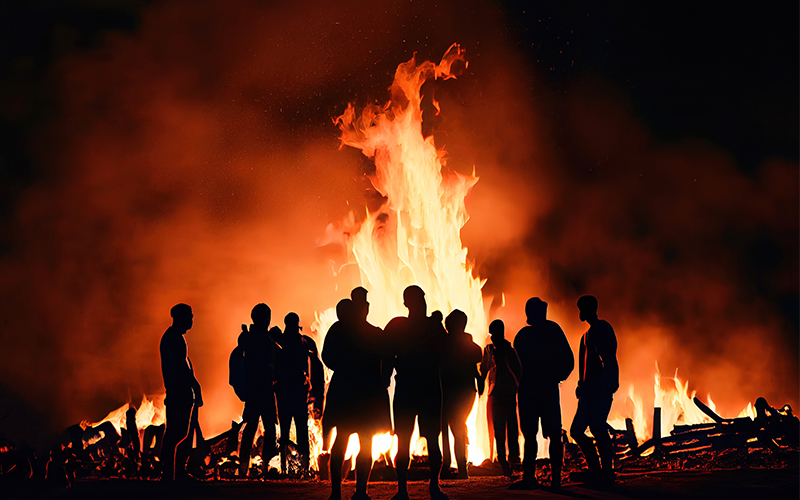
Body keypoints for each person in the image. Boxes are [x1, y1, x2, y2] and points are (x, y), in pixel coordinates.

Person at [323, 291, 390, 500]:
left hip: (352, 393)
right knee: (353, 441)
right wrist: (382, 380)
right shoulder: (360, 332)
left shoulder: (343, 331)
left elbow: (327, 356)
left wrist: (383, 379)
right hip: (362, 393)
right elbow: (327, 356)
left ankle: (351, 491)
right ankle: (351, 491)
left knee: (352, 440)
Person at [385, 285, 448, 500]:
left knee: (430, 439)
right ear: (408, 303)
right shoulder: (431, 327)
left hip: (418, 387)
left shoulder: (424, 327)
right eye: (419, 298)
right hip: (419, 387)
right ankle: (406, 489)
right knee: (407, 439)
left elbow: (388, 357)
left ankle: (431, 486)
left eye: (422, 297)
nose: (422, 301)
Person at [510, 297, 574, 490]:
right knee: (545, 434)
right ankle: (552, 480)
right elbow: (568, 360)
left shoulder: (524, 336)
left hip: (531, 390)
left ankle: (535, 478)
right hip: (543, 389)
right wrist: (556, 377)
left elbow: (514, 366)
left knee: (538, 435)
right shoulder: (551, 331)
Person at [570, 295, 619, 486]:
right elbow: (586, 364)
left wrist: (606, 385)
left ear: (591, 309)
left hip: (599, 390)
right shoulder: (587, 335)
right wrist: (581, 385)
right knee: (579, 430)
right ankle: (597, 470)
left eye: (583, 308)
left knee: (597, 427)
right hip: (589, 391)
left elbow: (608, 359)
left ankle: (605, 472)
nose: (581, 312)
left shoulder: (602, 329)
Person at [273, 312, 322, 475]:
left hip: (288, 391)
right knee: (299, 430)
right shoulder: (302, 343)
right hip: (297, 391)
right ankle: (302, 466)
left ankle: (289, 468)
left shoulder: (281, 341)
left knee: (289, 429)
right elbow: (316, 368)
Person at [159, 303, 203, 481]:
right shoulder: (174, 339)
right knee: (177, 433)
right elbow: (183, 368)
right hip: (178, 393)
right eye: (190, 316)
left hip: (178, 392)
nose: (192, 319)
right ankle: (171, 473)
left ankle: (174, 472)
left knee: (179, 432)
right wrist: (196, 387)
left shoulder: (173, 337)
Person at [237, 303, 280, 477]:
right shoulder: (258, 339)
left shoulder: (249, 338)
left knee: (256, 428)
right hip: (261, 388)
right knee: (264, 428)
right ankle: (262, 468)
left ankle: (248, 468)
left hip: (257, 389)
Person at [439, 309, 482, 479]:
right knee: (456, 427)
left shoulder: (448, 344)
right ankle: (453, 465)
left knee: (453, 427)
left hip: (453, 391)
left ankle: (454, 466)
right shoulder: (467, 344)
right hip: (463, 391)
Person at [480, 319, 521, 477]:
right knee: (498, 427)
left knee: (510, 425)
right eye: (491, 334)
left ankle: (512, 458)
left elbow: (517, 369)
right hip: (495, 393)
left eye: (494, 333)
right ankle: (502, 459)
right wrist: (480, 381)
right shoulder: (489, 350)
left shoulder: (509, 350)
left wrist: (517, 386)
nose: (492, 337)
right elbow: (484, 368)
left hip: (507, 392)